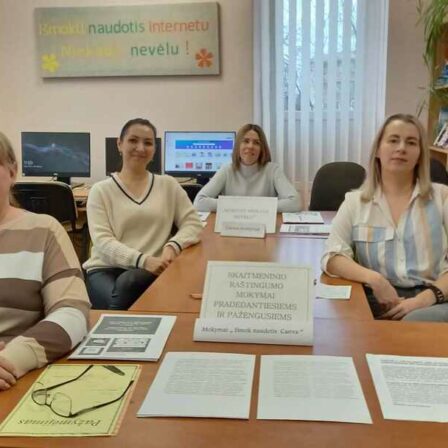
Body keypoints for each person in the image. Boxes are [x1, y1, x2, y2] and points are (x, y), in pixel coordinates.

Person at [322, 113, 448, 322]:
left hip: (435, 301)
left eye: (411, 142)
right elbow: (332, 257)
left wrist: (423, 299)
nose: (401, 148)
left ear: (420, 154)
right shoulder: (355, 202)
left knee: (413, 321)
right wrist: (375, 279)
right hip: (378, 300)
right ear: (378, 150)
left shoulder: (442, 198)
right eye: (393, 140)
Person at [0, 132, 90, 391]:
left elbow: (73, 313)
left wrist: (12, 359)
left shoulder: (44, 231)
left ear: (12, 170)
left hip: (14, 379)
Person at [84, 118, 202, 310]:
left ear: (154, 150)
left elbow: (193, 224)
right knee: (125, 290)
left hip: (151, 269)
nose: (140, 148)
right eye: (133, 140)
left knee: (130, 284)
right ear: (119, 144)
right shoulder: (100, 190)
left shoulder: (168, 185)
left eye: (148, 143)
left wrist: (173, 246)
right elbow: (102, 241)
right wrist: (142, 260)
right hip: (106, 269)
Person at [193, 124, 301, 212]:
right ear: (238, 146)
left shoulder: (273, 170)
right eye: (246, 141)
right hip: (233, 225)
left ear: (262, 149)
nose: (250, 146)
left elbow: (295, 203)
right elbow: (199, 202)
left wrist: (250, 207)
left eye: (256, 143)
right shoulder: (226, 170)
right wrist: (242, 206)